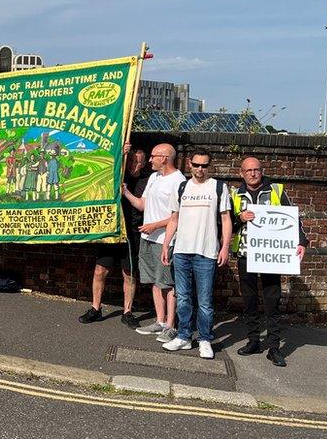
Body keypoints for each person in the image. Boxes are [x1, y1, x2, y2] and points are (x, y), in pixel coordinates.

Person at [231, 157, 308, 367]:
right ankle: (254, 341)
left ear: (262, 171)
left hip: (270, 256)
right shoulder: (235, 194)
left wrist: (301, 241)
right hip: (246, 254)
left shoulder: (275, 190)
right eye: (248, 171)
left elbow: (294, 217)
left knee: (272, 301)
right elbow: (226, 222)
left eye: (256, 170)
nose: (253, 174)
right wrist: (239, 218)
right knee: (249, 301)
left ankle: (274, 347)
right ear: (241, 173)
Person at [159, 148, 231, 359]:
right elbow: (174, 218)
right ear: (189, 164)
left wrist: (225, 247)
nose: (200, 169)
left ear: (209, 166)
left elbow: (226, 219)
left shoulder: (218, 187)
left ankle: (205, 339)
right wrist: (166, 244)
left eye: (204, 165)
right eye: (197, 164)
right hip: (181, 251)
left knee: (205, 301)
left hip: (206, 252)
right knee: (182, 297)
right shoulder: (181, 187)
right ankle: (183, 336)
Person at [79, 145, 150, 326]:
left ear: (143, 164)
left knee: (129, 273)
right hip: (112, 229)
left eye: (138, 162)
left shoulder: (148, 181)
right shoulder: (117, 174)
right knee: (100, 270)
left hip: (133, 233)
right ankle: (96, 308)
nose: (134, 165)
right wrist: (121, 152)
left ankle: (127, 312)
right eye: (132, 161)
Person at [123, 143, 184, 342]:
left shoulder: (179, 181)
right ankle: (159, 321)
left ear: (164, 158)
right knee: (154, 282)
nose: (149, 160)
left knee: (168, 283)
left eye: (153, 156)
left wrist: (155, 225)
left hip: (164, 239)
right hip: (147, 237)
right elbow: (143, 204)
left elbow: (179, 215)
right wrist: (126, 192)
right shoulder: (153, 177)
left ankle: (170, 324)